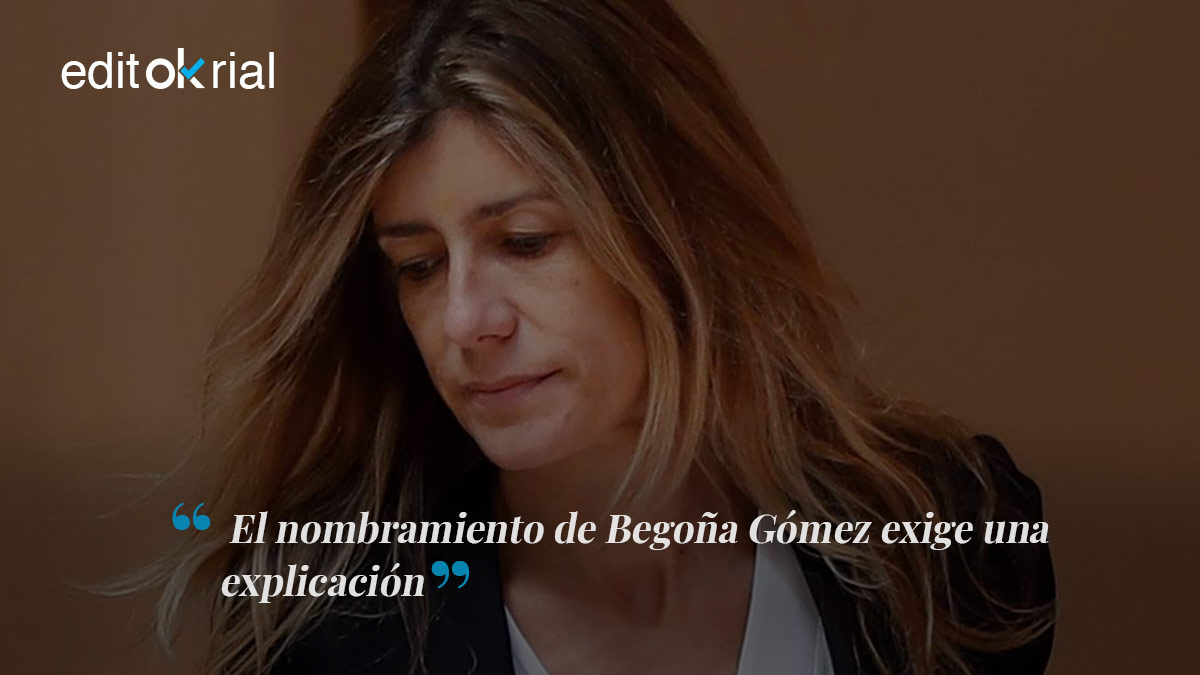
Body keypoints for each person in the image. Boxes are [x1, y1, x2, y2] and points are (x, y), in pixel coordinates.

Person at [157, 1, 1055, 673]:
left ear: (676, 230)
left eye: (525, 242)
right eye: (419, 265)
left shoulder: (952, 547)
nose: (466, 320)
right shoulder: (334, 630)